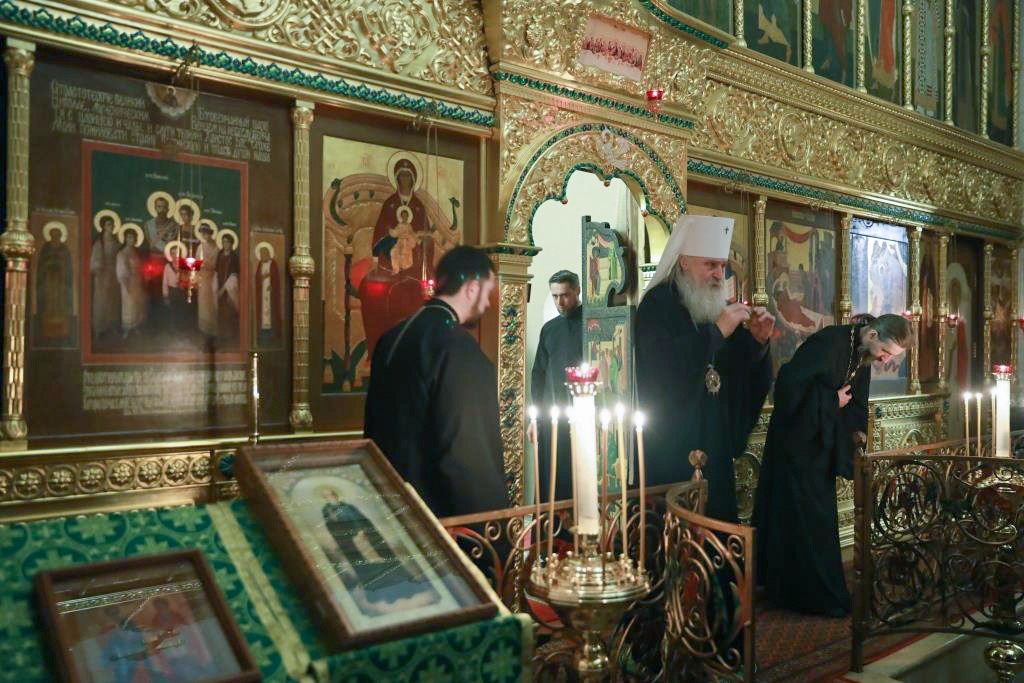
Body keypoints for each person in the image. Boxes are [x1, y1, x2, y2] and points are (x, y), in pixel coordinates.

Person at [753, 313, 911, 616]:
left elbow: (857, 400)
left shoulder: (862, 353)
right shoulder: (828, 344)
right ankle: (805, 594)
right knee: (803, 519)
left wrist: (857, 436)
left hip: (819, 448)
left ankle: (805, 592)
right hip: (794, 446)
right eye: (886, 352)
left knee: (818, 521)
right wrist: (830, 401)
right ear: (873, 335)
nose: (885, 360)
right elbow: (786, 388)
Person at [635, 214, 775, 523]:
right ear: (684, 261)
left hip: (715, 448)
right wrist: (716, 333)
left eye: (722, 266)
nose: (719, 275)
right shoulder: (656, 306)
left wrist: (758, 343)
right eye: (710, 265)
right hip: (671, 448)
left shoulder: (714, 307)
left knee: (717, 535)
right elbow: (662, 371)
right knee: (675, 536)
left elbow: (739, 374)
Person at [364, 245, 507, 518]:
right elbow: (469, 454)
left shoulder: (392, 338)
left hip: (391, 506)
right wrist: (493, 530)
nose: (488, 304)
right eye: (488, 292)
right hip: (438, 516)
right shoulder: (459, 350)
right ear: (472, 288)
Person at [531, 270, 583, 501]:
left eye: (565, 295)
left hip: (580, 416)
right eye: (555, 296)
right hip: (551, 417)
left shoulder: (591, 324)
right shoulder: (549, 329)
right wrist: (535, 419)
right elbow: (538, 375)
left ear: (577, 291)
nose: (560, 302)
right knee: (550, 477)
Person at [90, 214, 122, 342]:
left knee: (113, 302)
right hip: (102, 276)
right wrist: (99, 268)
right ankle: (99, 329)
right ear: (103, 226)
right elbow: (95, 259)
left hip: (114, 274)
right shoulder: (100, 242)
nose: (111, 226)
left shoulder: (116, 241)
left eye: (112, 224)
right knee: (101, 301)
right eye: (109, 224)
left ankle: (112, 327)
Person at [114, 225, 147, 339]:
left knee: (137, 304)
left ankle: (135, 326)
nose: (131, 240)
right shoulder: (122, 253)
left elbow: (140, 267)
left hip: (137, 281)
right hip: (127, 282)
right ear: (125, 239)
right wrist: (126, 283)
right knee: (128, 305)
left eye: (133, 237)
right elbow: (121, 270)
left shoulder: (135, 252)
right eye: (129, 237)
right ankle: (127, 329)